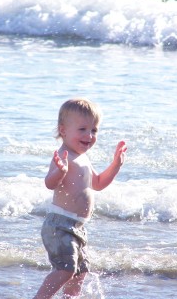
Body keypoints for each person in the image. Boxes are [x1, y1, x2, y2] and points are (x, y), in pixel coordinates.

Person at [34, 98, 127, 299]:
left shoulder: (83, 158)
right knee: (65, 270)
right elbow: (49, 183)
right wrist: (60, 172)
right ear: (63, 130)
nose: (89, 135)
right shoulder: (63, 156)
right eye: (83, 129)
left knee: (79, 273)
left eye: (94, 130)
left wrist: (116, 165)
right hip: (59, 225)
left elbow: (99, 183)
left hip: (77, 227)